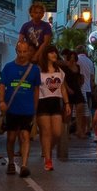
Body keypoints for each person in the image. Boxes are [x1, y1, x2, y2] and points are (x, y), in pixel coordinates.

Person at [0, 38, 40, 178]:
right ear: (16, 51)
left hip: (27, 108)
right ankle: (11, 162)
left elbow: (36, 90)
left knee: (25, 135)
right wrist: (1, 101)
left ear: (29, 52)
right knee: (11, 137)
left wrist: (35, 108)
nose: (22, 54)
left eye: (24, 52)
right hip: (12, 108)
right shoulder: (8, 68)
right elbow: (2, 85)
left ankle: (24, 165)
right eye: (19, 51)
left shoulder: (34, 70)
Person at [35, 44, 69, 173]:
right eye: (51, 53)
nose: (54, 55)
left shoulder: (59, 71)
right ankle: (48, 160)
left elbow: (63, 88)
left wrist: (66, 103)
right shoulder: (39, 71)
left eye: (55, 52)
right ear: (46, 55)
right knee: (46, 131)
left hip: (56, 102)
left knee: (57, 132)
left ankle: (48, 149)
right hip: (43, 102)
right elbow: (36, 89)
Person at [74, 46, 96, 139]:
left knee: (78, 112)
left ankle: (79, 130)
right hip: (88, 88)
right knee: (87, 111)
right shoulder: (90, 62)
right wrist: (92, 90)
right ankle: (87, 129)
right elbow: (91, 78)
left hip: (79, 88)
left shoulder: (77, 60)